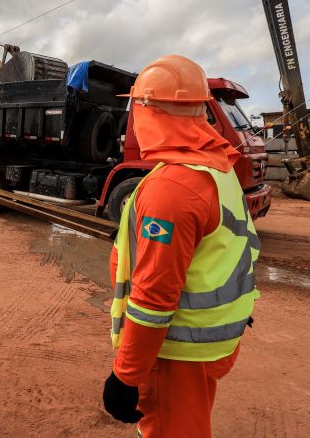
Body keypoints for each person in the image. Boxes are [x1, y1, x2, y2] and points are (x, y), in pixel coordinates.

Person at [102, 55, 260, 437]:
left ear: (147, 110)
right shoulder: (215, 167)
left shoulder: (171, 187)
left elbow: (153, 299)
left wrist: (126, 375)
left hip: (175, 352)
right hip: (205, 343)